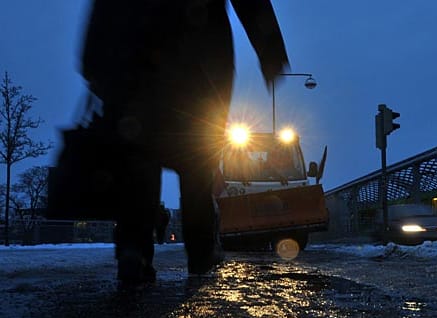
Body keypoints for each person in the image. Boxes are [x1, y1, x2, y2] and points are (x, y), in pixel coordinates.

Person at [80, 0, 289, 284]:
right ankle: (201, 253)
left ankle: (133, 250)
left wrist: (93, 62)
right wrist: (270, 51)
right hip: (199, 63)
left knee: (138, 161)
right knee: (197, 164)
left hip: (136, 64)